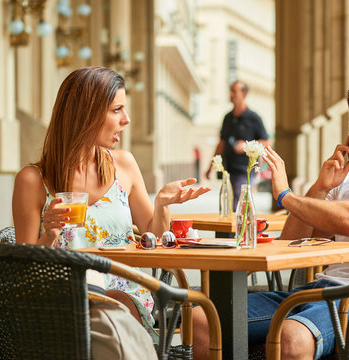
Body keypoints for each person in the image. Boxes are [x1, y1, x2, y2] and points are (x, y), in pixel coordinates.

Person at [192, 74, 349, 359]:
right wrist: (320, 187)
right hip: (319, 291)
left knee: (291, 337)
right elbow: (293, 241)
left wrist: (285, 196)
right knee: (202, 319)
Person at [12, 66, 210, 345]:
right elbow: (22, 271)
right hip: (62, 301)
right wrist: (49, 234)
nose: (126, 120)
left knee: (127, 307)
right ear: (86, 112)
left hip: (124, 294)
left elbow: (156, 243)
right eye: (116, 110)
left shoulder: (124, 165)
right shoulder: (32, 180)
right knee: (112, 310)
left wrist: (162, 204)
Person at [205, 80, 269, 208]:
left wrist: (245, 146)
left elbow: (265, 142)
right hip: (227, 168)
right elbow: (221, 142)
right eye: (230, 91)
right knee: (226, 202)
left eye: (234, 91)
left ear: (244, 94)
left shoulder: (254, 118)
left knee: (240, 200)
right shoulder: (227, 117)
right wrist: (210, 167)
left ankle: (240, 227)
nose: (231, 94)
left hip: (244, 168)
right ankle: (228, 227)